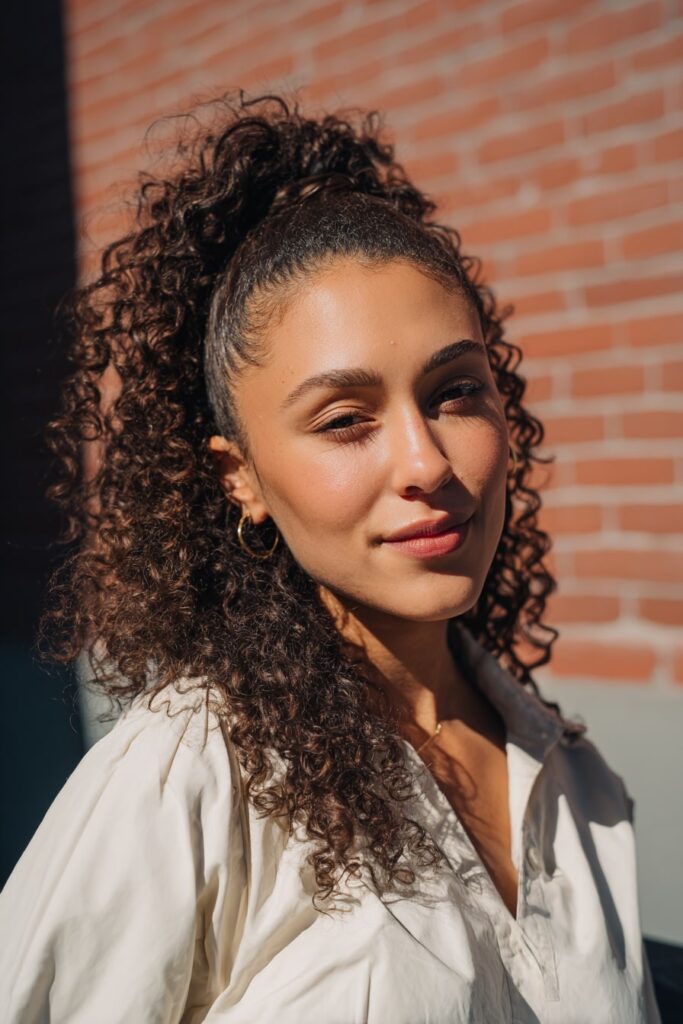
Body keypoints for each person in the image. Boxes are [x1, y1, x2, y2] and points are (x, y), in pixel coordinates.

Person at [0, 90, 660, 1023]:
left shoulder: (578, 784)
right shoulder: (184, 778)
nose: (426, 463)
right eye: (345, 421)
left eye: (455, 392)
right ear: (242, 479)